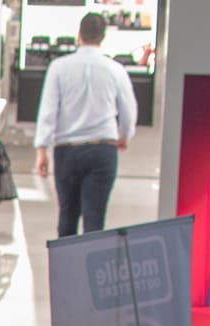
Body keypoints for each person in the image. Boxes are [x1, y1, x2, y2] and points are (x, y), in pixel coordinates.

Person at [33, 13, 137, 237]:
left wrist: (42, 150)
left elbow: (48, 111)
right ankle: (91, 271)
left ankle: (64, 269)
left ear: (78, 35)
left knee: (67, 215)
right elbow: (129, 109)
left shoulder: (58, 68)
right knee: (95, 219)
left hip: (67, 150)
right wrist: (124, 136)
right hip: (103, 149)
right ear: (103, 37)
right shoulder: (115, 69)